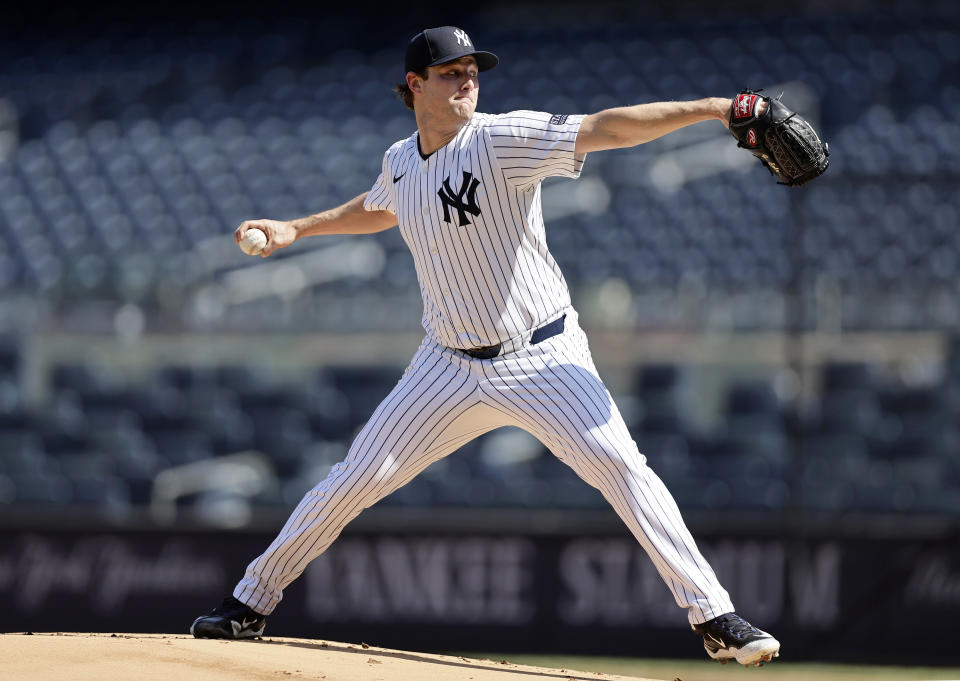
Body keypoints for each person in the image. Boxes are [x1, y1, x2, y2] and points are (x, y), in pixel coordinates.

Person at [190, 25, 780, 668]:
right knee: (351, 480)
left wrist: (715, 109)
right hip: (445, 364)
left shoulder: (501, 139)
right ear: (414, 84)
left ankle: (716, 617)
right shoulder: (400, 159)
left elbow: (605, 128)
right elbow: (383, 206)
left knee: (623, 471)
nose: (467, 78)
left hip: (543, 357)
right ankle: (250, 604)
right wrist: (295, 230)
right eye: (450, 71)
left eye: (472, 68)